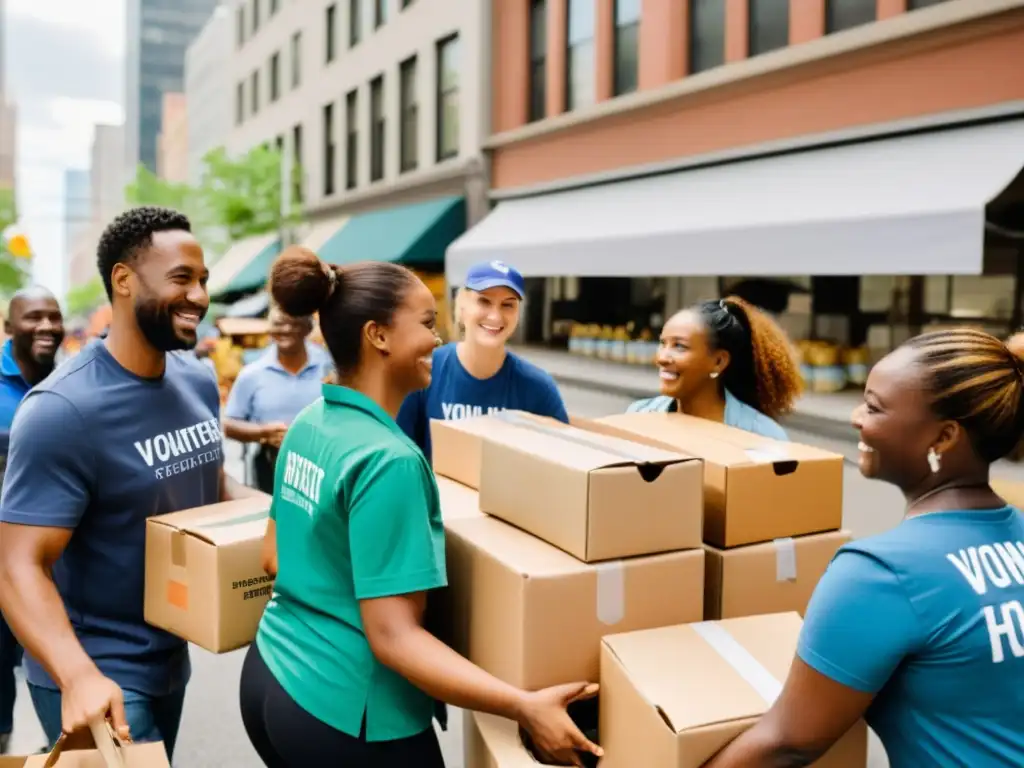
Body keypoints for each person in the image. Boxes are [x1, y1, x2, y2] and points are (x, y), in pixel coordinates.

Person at [239, 247, 601, 768]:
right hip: (347, 709)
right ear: (378, 336)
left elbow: (273, 556)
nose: (437, 338)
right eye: (427, 323)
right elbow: (393, 639)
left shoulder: (310, 422)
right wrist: (524, 705)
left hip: (270, 677)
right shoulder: (391, 462)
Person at [0, 206, 261, 758]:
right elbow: (16, 565)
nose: (199, 296)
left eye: (203, 280)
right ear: (123, 280)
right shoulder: (61, 409)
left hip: (170, 659)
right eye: (181, 279)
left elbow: (212, 485)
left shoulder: (195, 378)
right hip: (96, 671)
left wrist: (281, 514)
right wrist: (77, 677)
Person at [706, 328, 1024, 768]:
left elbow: (787, 741)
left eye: (874, 407)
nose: (856, 417)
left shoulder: (884, 571)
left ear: (944, 437)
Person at [397, 260, 567, 461]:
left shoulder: (538, 388)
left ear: (518, 314)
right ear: (462, 307)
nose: (495, 316)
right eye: (484, 301)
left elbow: (563, 463)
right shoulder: (423, 372)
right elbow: (401, 457)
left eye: (508, 305)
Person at [0, 286, 64, 754]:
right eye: (33, 317)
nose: (46, 326)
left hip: (55, 565)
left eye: (54, 317)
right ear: (9, 328)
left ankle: (56, 750)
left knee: (54, 666)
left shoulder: (71, 384)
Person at [628, 296, 802, 440]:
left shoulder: (763, 437)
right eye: (662, 343)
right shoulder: (639, 415)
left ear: (719, 361)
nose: (661, 358)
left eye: (679, 346)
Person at [223, 300, 333, 494]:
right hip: (271, 471)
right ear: (270, 327)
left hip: (327, 464)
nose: (287, 329)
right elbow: (229, 425)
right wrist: (263, 432)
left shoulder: (328, 366)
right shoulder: (252, 373)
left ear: (308, 327)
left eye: (295, 323)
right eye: (279, 323)